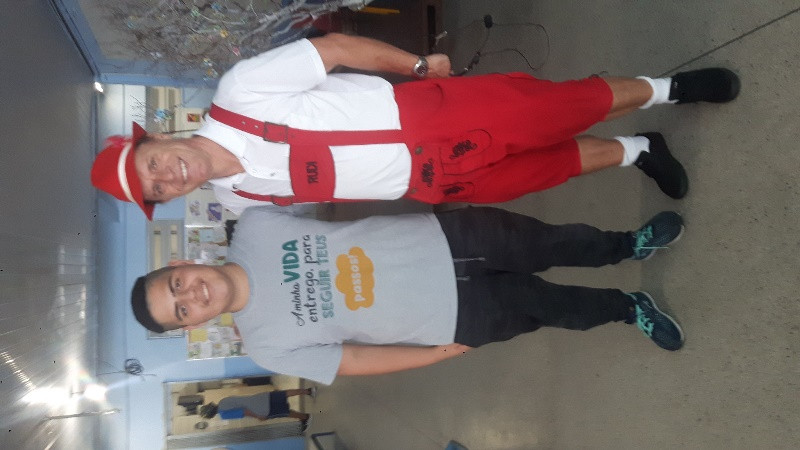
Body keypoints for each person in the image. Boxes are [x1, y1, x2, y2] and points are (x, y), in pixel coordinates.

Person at [91, 32, 740, 218]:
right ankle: (638, 149)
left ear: (158, 138)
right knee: (549, 168)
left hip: (433, 115)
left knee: (559, 109)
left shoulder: (239, 91)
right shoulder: (238, 197)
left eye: (153, 166)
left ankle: (671, 90)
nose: (168, 177)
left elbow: (335, 50)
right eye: (158, 191)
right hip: (430, 183)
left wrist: (417, 65)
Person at [130, 206, 686, 385]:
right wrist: (435, 354)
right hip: (453, 317)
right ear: (191, 325)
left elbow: (334, 183)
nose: (192, 295)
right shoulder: (265, 347)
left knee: (553, 241)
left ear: (181, 264)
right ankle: (628, 309)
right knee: (555, 308)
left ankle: (628, 245)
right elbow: (355, 359)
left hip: (450, 236)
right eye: (182, 310)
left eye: (177, 285)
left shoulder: (254, 224)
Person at [199, 387, 316, 430]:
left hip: (262, 409)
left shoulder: (223, 414)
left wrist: (258, 417)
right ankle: (308, 391)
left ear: (211, 415)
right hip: (259, 397)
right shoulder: (222, 401)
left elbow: (243, 411)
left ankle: (305, 417)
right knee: (284, 394)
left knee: (285, 412)